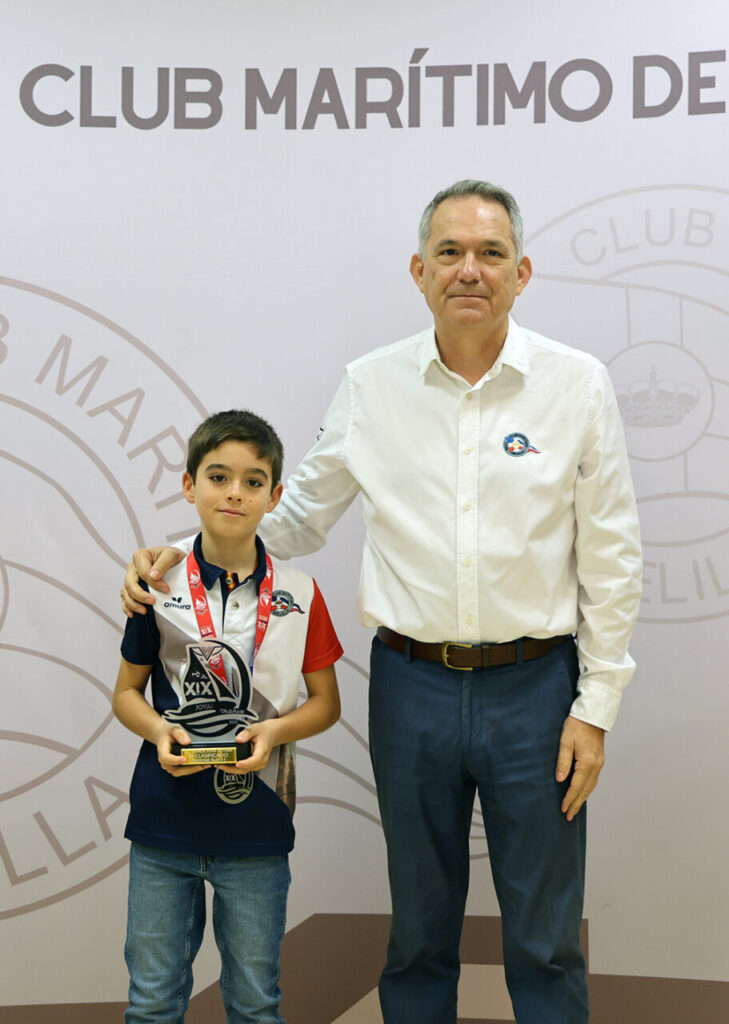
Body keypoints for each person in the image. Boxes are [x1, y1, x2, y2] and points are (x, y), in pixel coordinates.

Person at [121, 181, 642, 1024]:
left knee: (544, 938)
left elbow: (612, 554)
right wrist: (173, 561)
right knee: (421, 927)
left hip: (540, 691)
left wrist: (596, 706)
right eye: (449, 252)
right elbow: (286, 527)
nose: (468, 269)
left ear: (522, 272)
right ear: (417, 270)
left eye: (489, 253)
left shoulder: (575, 386)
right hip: (411, 688)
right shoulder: (370, 386)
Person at [113, 409, 342, 1024]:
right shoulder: (156, 582)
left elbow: (326, 704)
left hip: (257, 826)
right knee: (153, 1002)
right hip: (165, 820)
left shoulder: (302, 593)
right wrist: (159, 730)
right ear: (190, 486)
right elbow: (126, 695)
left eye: (252, 480)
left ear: (275, 495)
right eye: (218, 476)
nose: (234, 492)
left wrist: (275, 730)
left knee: (255, 1003)